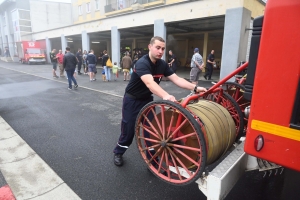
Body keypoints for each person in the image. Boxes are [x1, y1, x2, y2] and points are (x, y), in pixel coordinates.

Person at [113, 36, 207, 166]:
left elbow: (177, 79)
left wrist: (196, 88)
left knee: (152, 132)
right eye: (157, 48)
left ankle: (152, 159)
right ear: (150, 47)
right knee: (128, 130)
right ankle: (118, 152)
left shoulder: (162, 64)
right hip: (132, 100)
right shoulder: (142, 63)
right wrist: (166, 95)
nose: (160, 51)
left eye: (163, 48)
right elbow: (150, 83)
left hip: (147, 100)